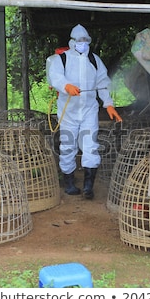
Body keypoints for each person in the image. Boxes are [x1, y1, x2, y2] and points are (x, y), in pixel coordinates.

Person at [47, 24, 123, 199]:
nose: (82, 44)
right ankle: (69, 183)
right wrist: (66, 85)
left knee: (90, 146)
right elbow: (55, 76)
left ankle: (89, 186)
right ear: (72, 42)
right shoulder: (62, 59)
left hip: (89, 110)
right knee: (68, 146)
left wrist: (108, 104)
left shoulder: (94, 60)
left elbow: (103, 83)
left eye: (85, 41)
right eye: (79, 41)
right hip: (68, 112)